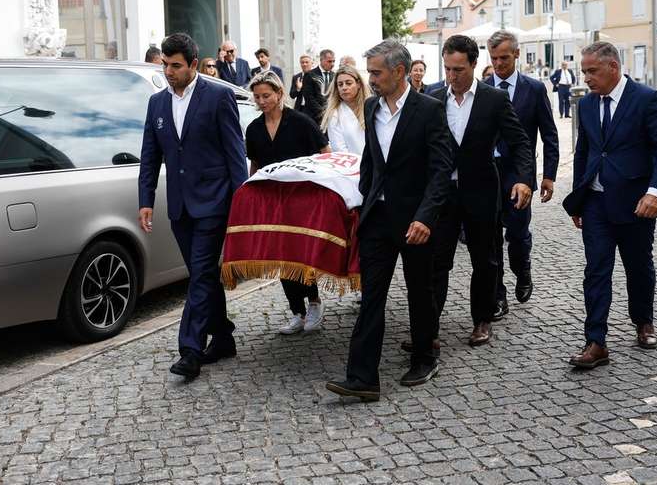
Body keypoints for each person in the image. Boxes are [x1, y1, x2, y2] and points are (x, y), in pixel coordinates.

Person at [325, 38, 454, 401]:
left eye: (377, 73)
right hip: (378, 218)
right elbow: (372, 161)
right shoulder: (370, 107)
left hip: (416, 220)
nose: (372, 79)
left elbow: (442, 168)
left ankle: (425, 355)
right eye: (370, 72)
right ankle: (363, 376)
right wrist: (364, 197)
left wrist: (426, 217)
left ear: (399, 72)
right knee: (372, 297)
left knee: (420, 291)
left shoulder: (429, 109)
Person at [138, 33, 248, 379]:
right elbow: (150, 155)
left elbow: (235, 154)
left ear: (194, 65)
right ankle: (224, 337)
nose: (168, 72)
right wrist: (145, 200)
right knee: (204, 276)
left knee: (200, 273)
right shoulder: (157, 103)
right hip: (179, 205)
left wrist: (240, 204)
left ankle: (190, 349)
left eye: (175, 66)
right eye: (165, 65)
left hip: (214, 201)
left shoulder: (219, 95)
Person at [563, 42, 657, 369]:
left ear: (613, 67)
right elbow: (583, 152)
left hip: (635, 202)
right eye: (584, 71)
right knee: (596, 270)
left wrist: (655, 192)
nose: (586, 78)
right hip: (596, 202)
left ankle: (643, 321)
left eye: (592, 71)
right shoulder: (585, 106)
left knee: (638, 266)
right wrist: (578, 199)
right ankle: (596, 342)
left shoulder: (646, 99)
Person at [428, 35, 532, 347]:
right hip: (442, 193)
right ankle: (429, 325)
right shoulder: (432, 96)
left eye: (458, 69)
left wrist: (524, 178)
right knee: (437, 260)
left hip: (482, 190)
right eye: (447, 68)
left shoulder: (494, 100)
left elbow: (520, 142)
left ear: (474, 64)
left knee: (484, 260)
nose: (451, 76)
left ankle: (482, 319)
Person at [245, 71, 330, 334]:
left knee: (302, 253)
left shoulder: (301, 122)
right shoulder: (254, 129)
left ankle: (314, 303)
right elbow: (256, 165)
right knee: (281, 255)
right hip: (272, 200)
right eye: (257, 97)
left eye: (267, 96)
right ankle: (297, 311)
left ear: (280, 94)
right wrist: (253, 193)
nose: (262, 101)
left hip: (302, 199)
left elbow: (325, 154)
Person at [486, 30, 559, 320]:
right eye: (494, 58)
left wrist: (549, 175)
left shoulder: (534, 88)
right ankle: (498, 295)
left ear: (517, 54)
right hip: (489, 174)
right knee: (491, 238)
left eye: (504, 57)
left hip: (520, 173)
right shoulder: (483, 87)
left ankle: (523, 267)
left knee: (516, 233)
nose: (499, 63)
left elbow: (549, 135)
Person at [320, 65, 371, 155]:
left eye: (348, 83)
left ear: (358, 84)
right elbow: (340, 150)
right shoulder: (335, 114)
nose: (344, 87)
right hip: (353, 166)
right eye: (340, 84)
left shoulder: (372, 107)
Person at [297, 49, 336, 124]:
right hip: (313, 117)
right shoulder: (310, 75)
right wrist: (323, 112)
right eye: (329, 61)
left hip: (330, 117)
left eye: (334, 61)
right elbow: (309, 97)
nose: (332, 64)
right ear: (321, 60)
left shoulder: (334, 75)